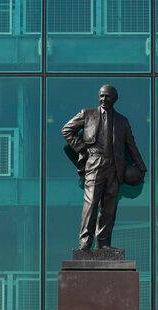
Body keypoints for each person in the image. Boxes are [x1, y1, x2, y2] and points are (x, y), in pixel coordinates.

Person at [61, 84, 146, 251]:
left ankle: (103, 244)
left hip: (114, 167)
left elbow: (131, 146)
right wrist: (81, 148)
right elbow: (67, 130)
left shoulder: (122, 121)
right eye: (101, 96)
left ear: (114, 98)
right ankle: (85, 244)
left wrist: (141, 167)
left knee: (109, 208)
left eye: (107, 96)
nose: (103, 99)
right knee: (91, 204)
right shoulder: (87, 114)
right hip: (94, 163)